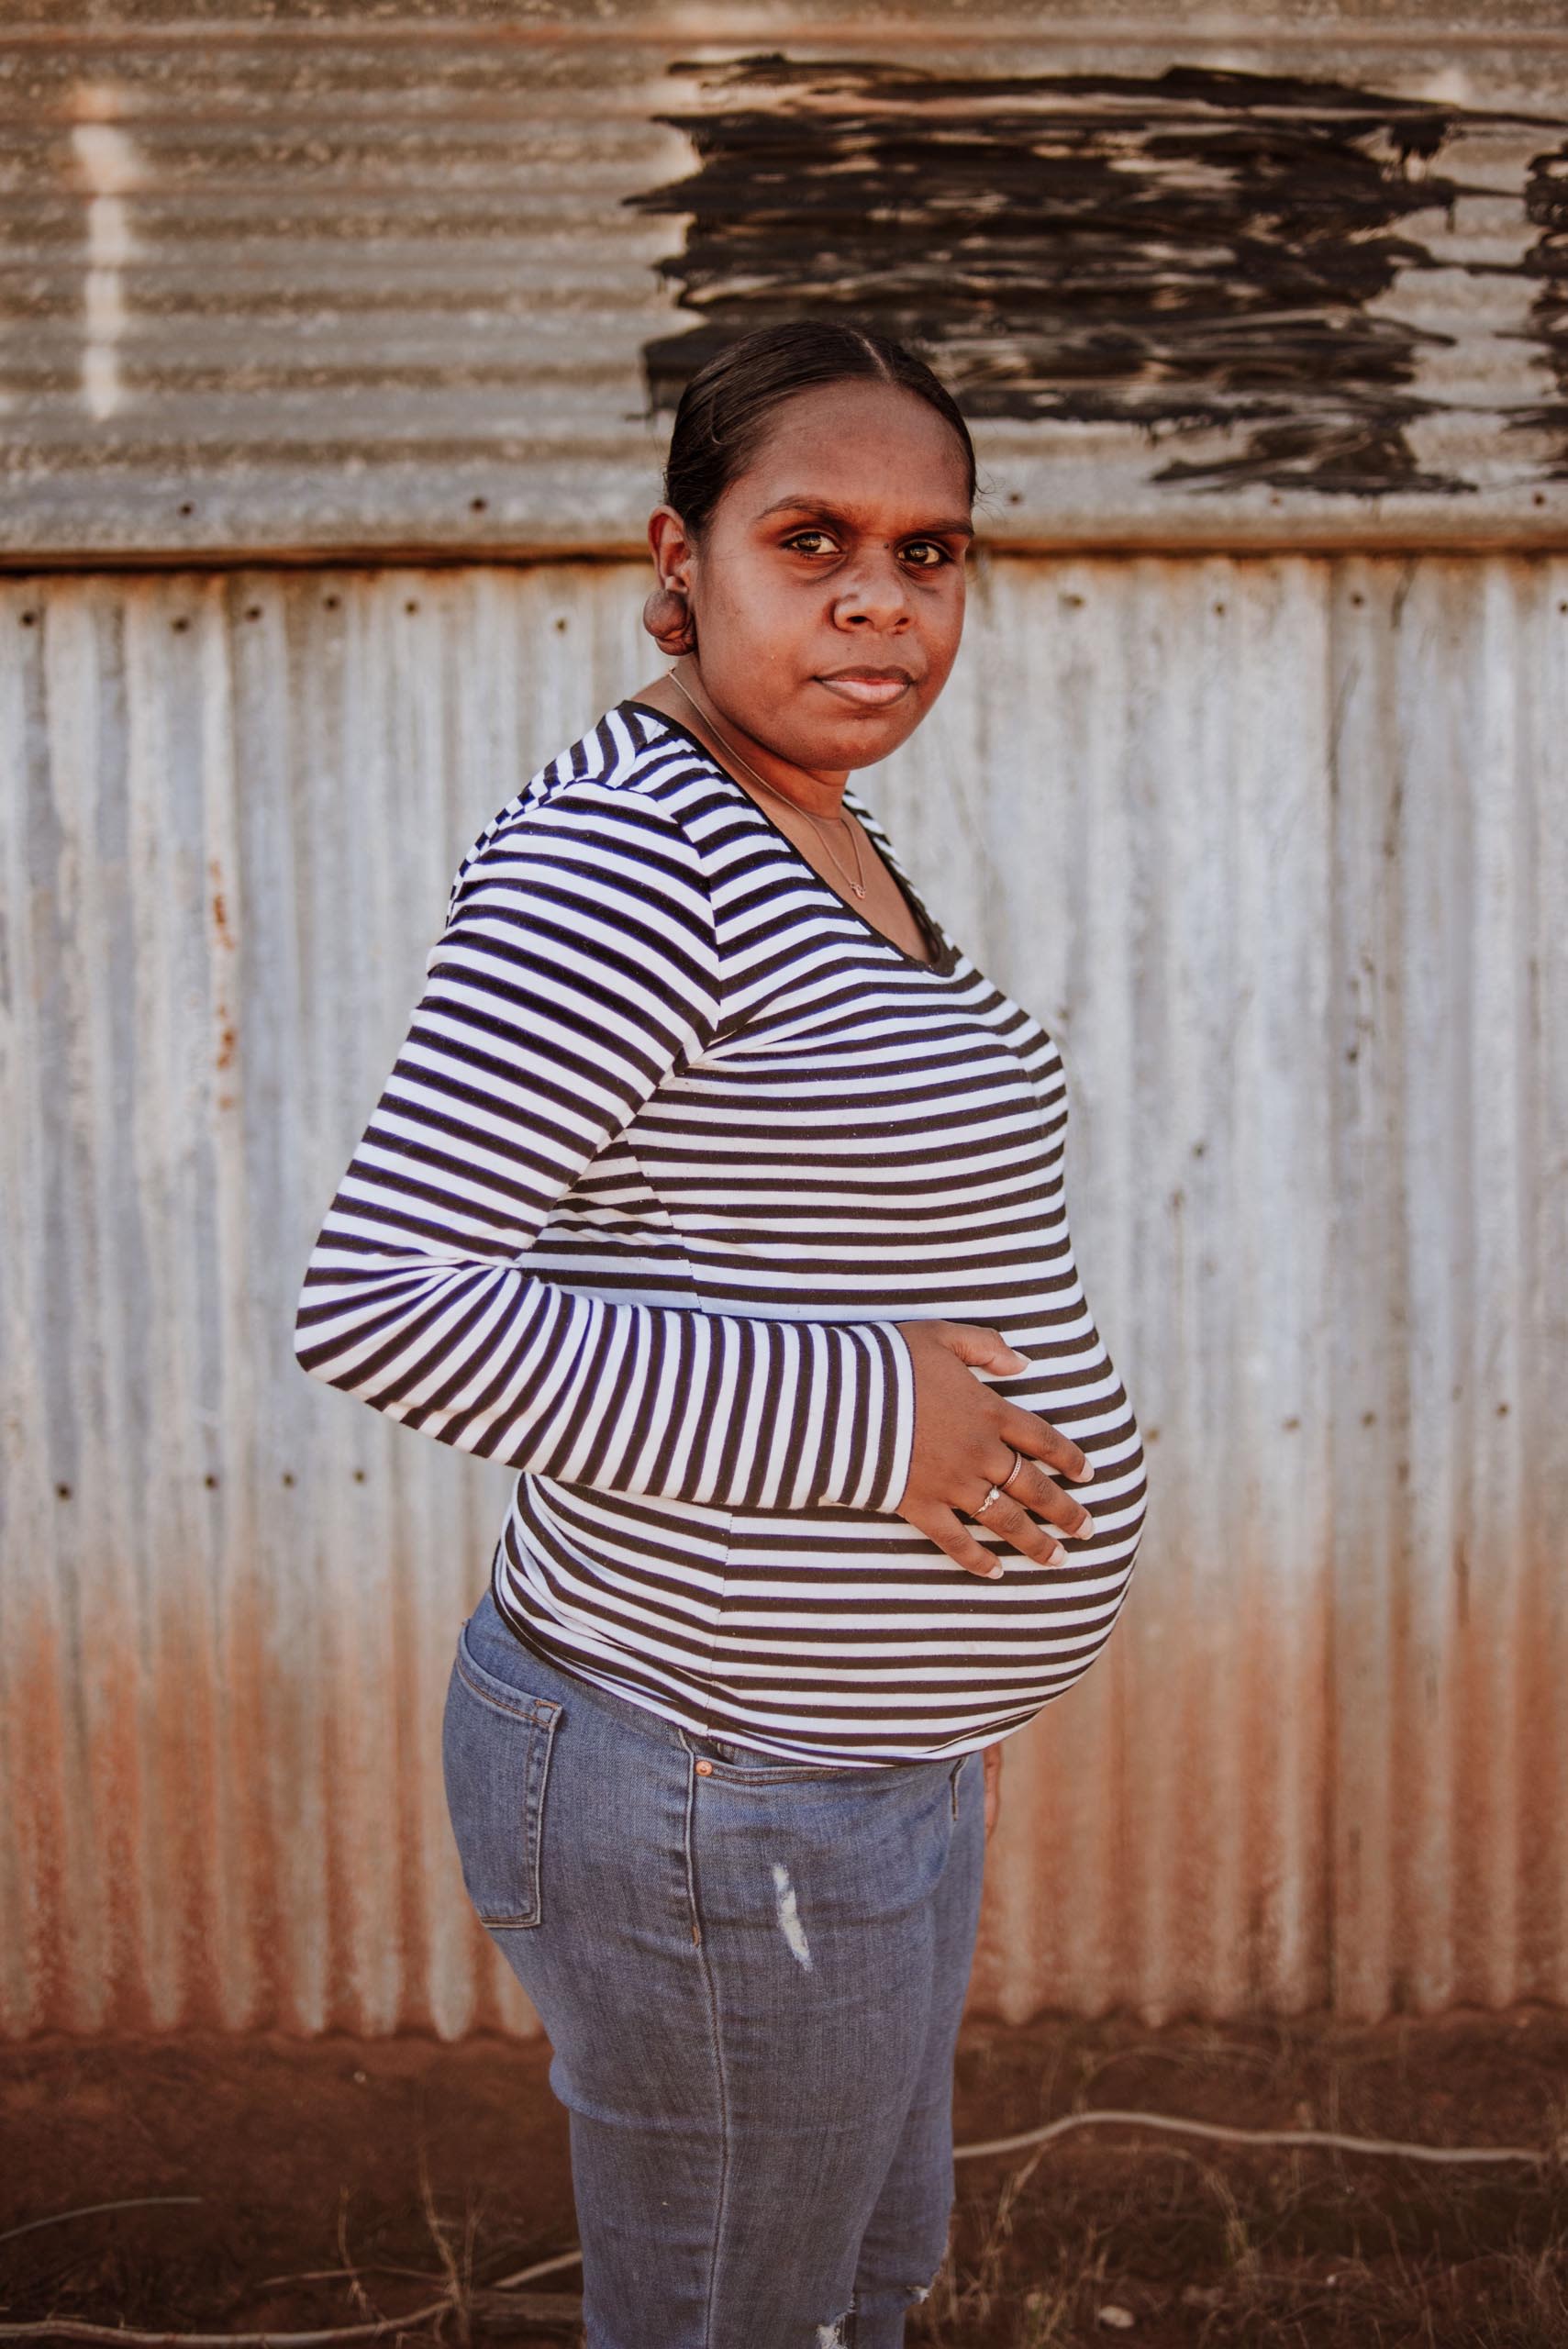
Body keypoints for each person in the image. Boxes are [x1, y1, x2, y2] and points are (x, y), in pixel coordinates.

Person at [293, 319, 1149, 2349]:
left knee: (854, 2281)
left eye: (931, 553)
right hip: (714, 1772)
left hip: (845, 1759)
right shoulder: (631, 849)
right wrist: (879, 1421)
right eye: (813, 538)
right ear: (677, 561)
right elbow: (385, 1299)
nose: (881, 597)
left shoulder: (814, 817)